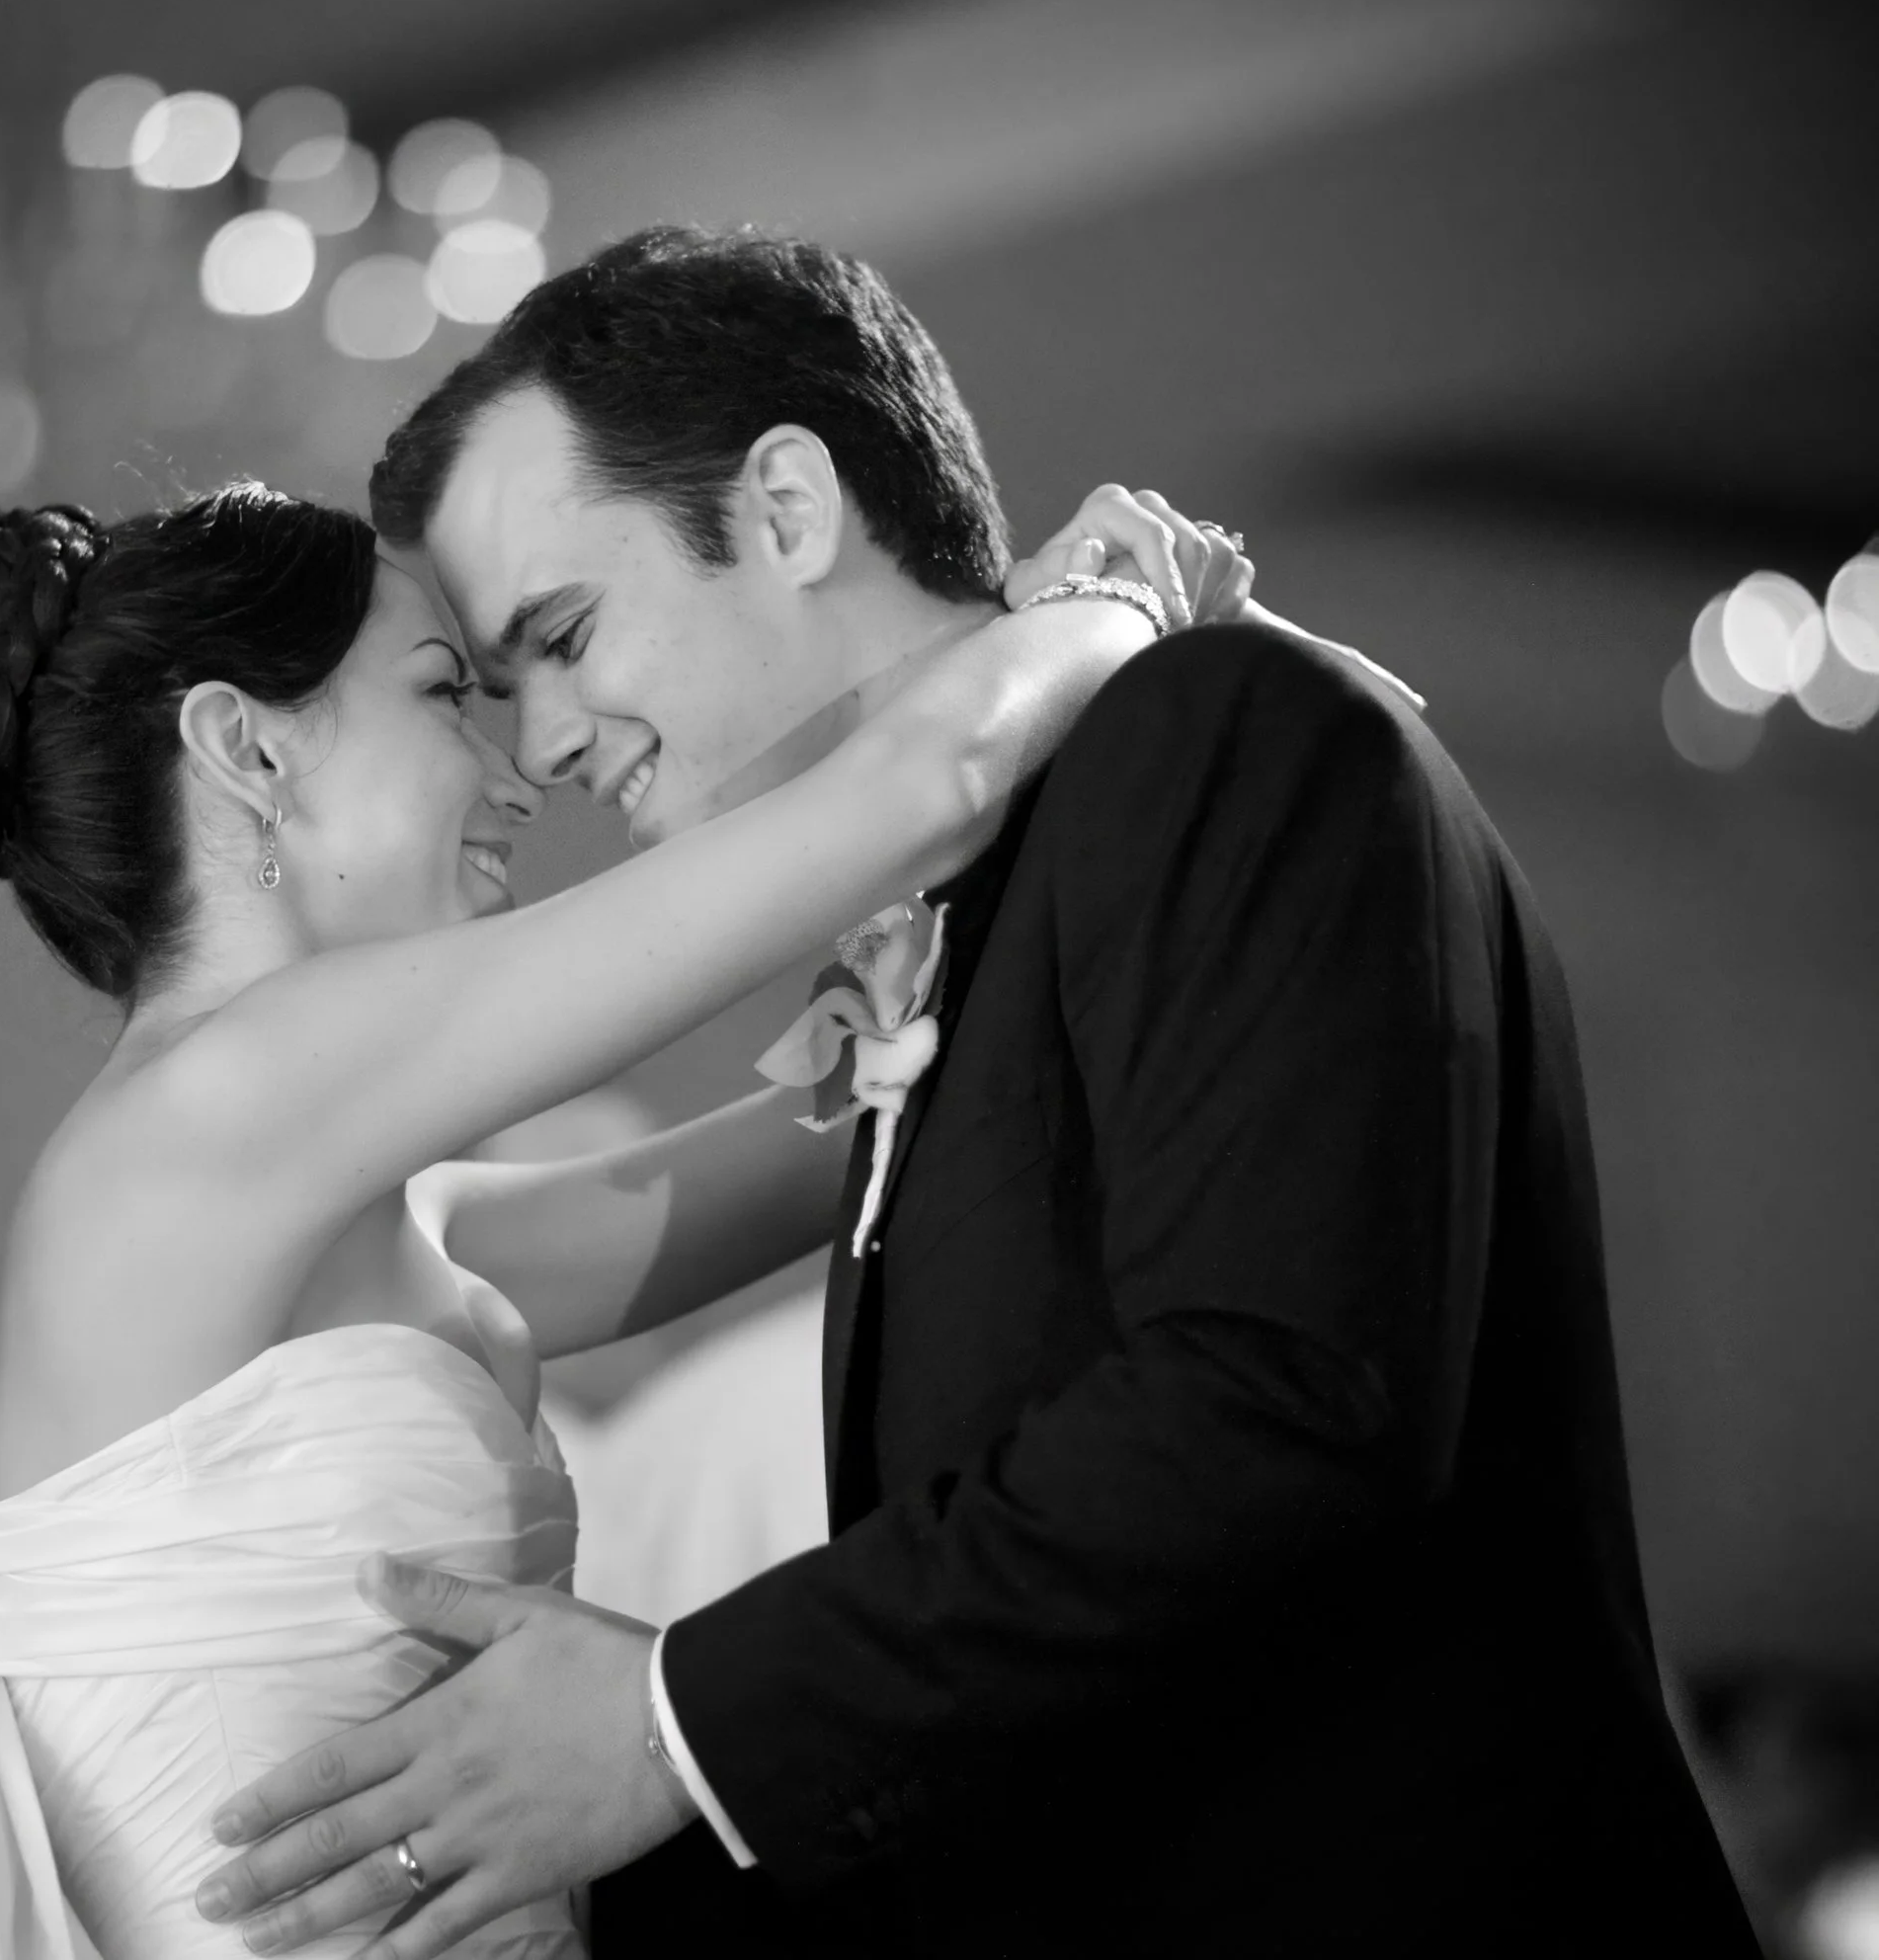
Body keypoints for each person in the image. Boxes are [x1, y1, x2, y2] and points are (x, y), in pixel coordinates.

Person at [197, 227, 1760, 1959]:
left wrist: (667, 1725)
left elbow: (1281, 1401)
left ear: (788, 510)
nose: (546, 746)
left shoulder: (1225, 732)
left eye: (561, 636)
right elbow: (1038, 1708)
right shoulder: (957, 938)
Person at [0, 461, 1207, 1956]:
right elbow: (925, 789)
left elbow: (825, 1147)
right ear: (245, 749)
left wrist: (936, 1007)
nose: (516, 771)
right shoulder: (230, 1098)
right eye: (443, 696)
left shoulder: (313, 1204)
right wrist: (1116, 597)